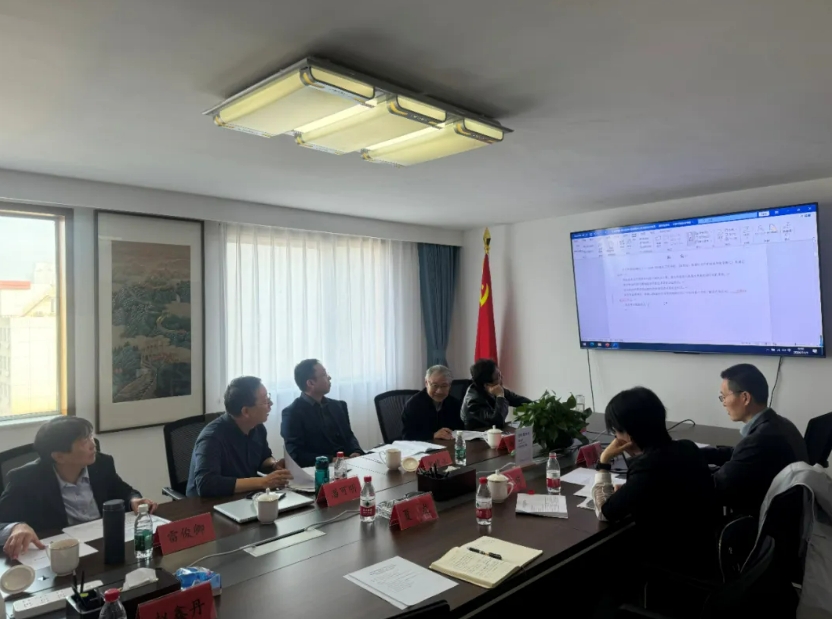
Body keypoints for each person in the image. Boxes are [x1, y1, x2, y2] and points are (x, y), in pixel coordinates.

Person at [592, 387, 719, 576]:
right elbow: (662, 488)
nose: (616, 437)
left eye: (616, 432)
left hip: (672, 564)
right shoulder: (688, 447)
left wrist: (603, 462)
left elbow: (605, 512)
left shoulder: (647, 467)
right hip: (705, 553)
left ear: (629, 435)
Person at [0, 416, 156, 560]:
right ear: (59, 456)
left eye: (90, 436)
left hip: (103, 547)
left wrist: (134, 500)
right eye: (84, 442)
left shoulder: (102, 464)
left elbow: (124, 491)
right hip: (61, 554)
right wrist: (16, 527)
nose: (93, 444)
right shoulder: (25, 479)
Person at [702, 363, 808, 516]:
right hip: (788, 514)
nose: (723, 403)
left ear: (745, 398)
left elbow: (716, 487)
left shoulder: (760, 440)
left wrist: (685, 467)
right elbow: (740, 455)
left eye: (724, 397)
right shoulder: (780, 424)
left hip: (756, 520)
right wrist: (701, 453)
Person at [186, 376, 292, 497]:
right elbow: (207, 484)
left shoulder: (257, 427)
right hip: (207, 503)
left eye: (268, 398)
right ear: (245, 411)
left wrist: (274, 464)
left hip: (242, 497)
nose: (271, 404)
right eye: (265, 401)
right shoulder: (212, 438)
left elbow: (264, 457)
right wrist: (263, 482)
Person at [281, 359, 364, 467]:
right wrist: (332, 459)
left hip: (348, 464)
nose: (329, 377)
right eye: (324, 375)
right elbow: (296, 454)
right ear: (310, 383)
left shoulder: (338, 406)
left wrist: (356, 451)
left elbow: (349, 437)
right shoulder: (292, 413)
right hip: (320, 468)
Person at [460, 359, 531, 430]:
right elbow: (497, 422)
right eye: (498, 377)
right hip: (478, 435)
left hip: (494, 433)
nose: (502, 378)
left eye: (500, 374)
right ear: (487, 385)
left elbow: (517, 400)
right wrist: (500, 396)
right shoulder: (473, 401)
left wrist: (535, 407)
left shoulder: (492, 389)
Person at [401, 365, 463, 441]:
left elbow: (460, 429)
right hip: (424, 446)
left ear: (450, 385)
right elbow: (407, 436)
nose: (439, 391)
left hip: (449, 445)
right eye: (435, 385)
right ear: (426, 383)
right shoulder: (413, 405)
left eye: (444, 386)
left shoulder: (454, 403)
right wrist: (433, 435)